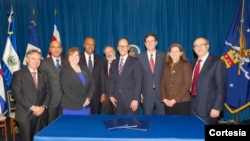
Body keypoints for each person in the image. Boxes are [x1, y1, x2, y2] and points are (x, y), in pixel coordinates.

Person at [12, 49, 52, 141]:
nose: (36, 61)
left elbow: (49, 93)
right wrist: (33, 107)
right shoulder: (18, 74)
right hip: (25, 115)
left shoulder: (44, 75)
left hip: (41, 115)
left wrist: (43, 107)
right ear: (27, 59)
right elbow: (17, 94)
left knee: (40, 139)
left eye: (38, 59)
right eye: (33, 58)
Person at [190, 37, 227, 124]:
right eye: (196, 46)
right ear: (193, 49)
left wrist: (217, 107)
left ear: (208, 46)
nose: (199, 48)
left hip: (209, 109)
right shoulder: (193, 63)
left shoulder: (217, 62)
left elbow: (221, 87)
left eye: (202, 45)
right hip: (193, 106)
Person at [109, 38, 143, 114]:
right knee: (118, 123)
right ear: (117, 48)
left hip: (131, 101)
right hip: (116, 100)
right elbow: (112, 80)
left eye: (124, 46)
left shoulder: (135, 61)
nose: (122, 48)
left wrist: (136, 99)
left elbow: (138, 82)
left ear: (128, 48)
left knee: (131, 124)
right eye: (120, 46)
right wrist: (110, 95)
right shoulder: (114, 62)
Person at [60, 47, 95, 115]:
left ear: (79, 57)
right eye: (72, 56)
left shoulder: (85, 69)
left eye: (76, 55)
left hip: (86, 107)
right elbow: (68, 91)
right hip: (71, 108)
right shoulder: (65, 71)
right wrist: (83, 101)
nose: (74, 58)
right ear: (68, 58)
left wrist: (88, 98)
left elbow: (92, 85)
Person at [137, 33, 166, 115]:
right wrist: (139, 93)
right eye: (147, 41)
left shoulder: (164, 56)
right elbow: (137, 77)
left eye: (152, 41)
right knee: (147, 120)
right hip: (146, 94)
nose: (150, 43)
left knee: (162, 120)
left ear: (156, 42)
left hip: (161, 94)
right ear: (145, 44)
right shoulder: (138, 57)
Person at [39, 40, 67, 123]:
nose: (56, 49)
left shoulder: (67, 62)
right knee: (51, 124)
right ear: (50, 49)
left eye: (58, 47)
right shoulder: (43, 63)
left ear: (61, 49)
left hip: (64, 100)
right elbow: (41, 83)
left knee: (64, 123)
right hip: (51, 100)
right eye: (54, 47)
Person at [160, 43, 192, 115]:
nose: (174, 53)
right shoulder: (166, 67)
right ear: (169, 53)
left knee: (182, 125)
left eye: (177, 51)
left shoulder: (186, 65)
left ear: (181, 53)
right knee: (169, 124)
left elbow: (187, 85)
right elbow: (162, 84)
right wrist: (164, 98)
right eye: (172, 51)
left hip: (182, 103)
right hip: (168, 102)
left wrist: (175, 100)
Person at [79, 37, 106, 114]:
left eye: (92, 45)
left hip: (96, 94)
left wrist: (103, 93)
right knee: (83, 117)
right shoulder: (78, 58)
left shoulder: (100, 59)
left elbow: (102, 77)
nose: (90, 46)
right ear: (84, 45)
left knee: (95, 116)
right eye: (88, 44)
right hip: (82, 94)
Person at [103, 45, 116, 114]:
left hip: (117, 97)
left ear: (114, 52)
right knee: (108, 120)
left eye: (110, 52)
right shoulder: (102, 65)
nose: (109, 54)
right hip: (106, 99)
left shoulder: (120, 63)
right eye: (106, 52)